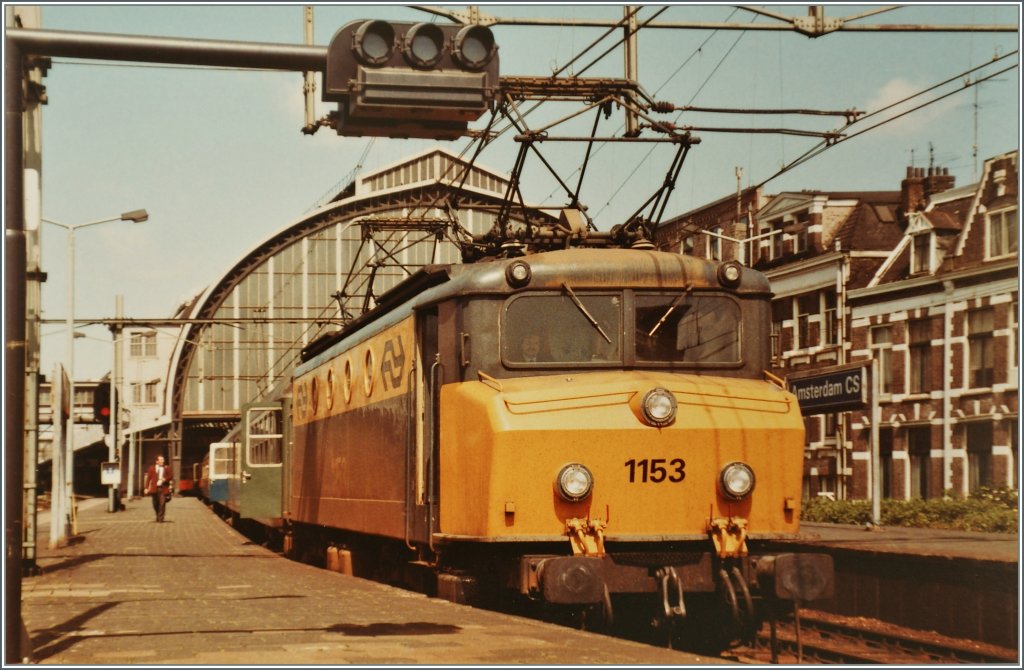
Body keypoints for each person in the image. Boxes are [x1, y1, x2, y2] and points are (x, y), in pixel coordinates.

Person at [143, 455, 173, 522]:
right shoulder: (152, 468)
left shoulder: (167, 468)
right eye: (161, 460)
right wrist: (146, 488)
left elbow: (170, 476)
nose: (163, 461)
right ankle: (158, 514)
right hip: (154, 488)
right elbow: (148, 478)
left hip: (163, 488)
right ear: (157, 461)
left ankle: (160, 518)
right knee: (155, 503)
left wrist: (165, 479)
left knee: (162, 503)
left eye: (163, 460)